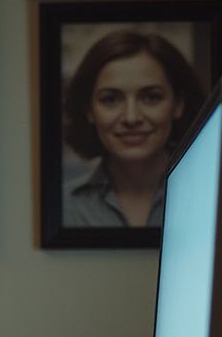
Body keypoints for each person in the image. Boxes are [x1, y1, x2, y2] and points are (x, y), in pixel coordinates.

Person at [61, 30, 206, 228]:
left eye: (151, 97)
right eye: (111, 99)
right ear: (89, 110)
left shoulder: (209, 197)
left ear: (178, 104)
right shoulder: (66, 207)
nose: (131, 118)